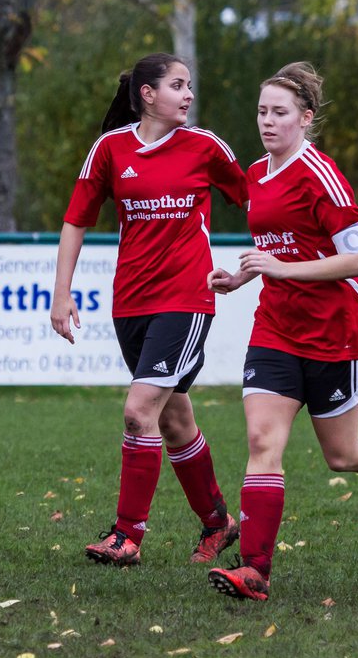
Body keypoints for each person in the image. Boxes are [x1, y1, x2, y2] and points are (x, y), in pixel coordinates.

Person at [205, 62, 358, 601]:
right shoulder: (255, 175)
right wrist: (240, 278)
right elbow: (281, 249)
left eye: (280, 113)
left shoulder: (322, 175)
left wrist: (282, 269)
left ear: (305, 118)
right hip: (276, 327)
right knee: (263, 441)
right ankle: (255, 572)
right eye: (262, 111)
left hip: (338, 332)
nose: (268, 121)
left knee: (343, 455)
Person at [51, 53, 248, 567]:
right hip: (130, 303)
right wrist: (61, 291)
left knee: (139, 411)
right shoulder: (110, 149)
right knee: (175, 420)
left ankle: (126, 534)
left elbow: (260, 201)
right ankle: (218, 523)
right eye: (178, 85)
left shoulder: (206, 147)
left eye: (189, 86)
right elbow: (76, 220)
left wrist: (277, 260)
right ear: (147, 93)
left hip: (186, 299)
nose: (187, 95)